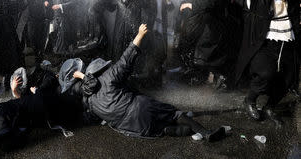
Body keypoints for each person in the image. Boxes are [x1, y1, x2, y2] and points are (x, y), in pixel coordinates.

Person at [72, 24, 227, 141]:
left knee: (162, 128)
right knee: (173, 113)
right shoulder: (109, 76)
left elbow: (92, 115)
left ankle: (177, 131)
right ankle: (205, 132)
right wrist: (139, 35)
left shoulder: (89, 102)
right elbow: (127, 58)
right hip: (139, 108)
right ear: (101, 70)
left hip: (133, 128)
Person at [228, 0, 300, 127]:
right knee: (265, 73)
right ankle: (250, 101)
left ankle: (270, 107)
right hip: (265, 41)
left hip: (288, 42)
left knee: (288, 78)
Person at [17, 0, 50, 68]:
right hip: (23, 23)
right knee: (21, 44)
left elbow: (39, 7)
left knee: (35, 43)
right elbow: (20, 8)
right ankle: (22, 64)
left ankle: (38, 62)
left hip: (34, 23)